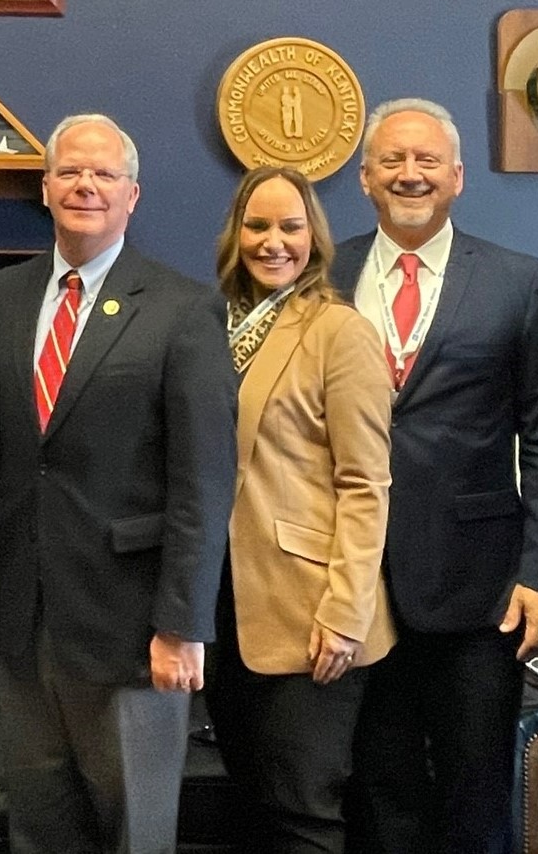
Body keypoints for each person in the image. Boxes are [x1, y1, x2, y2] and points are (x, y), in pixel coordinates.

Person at [0, 113, 237, 854]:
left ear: (132, 195)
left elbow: (204, 481)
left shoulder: (183, 309)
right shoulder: (2, 297)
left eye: (103, 174)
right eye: (70, 172)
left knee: (134, 830)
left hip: (134, 626)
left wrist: (183, 625)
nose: (85, 185)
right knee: (41, 828)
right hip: (23, 618)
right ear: (45, 188)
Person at [330, 98, 538, 854]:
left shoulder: (517, 280)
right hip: (354, 581)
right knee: (378, 787)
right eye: (393, 162)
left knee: (474, 791)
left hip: (481, 588)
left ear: (458, 177)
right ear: (366, 177)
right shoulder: (321, 273)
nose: (411, 175)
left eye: (427, 161)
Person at [208, 165, 394, 853]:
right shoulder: (217, 323)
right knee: (253, 802)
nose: (273, 242)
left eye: (291, 226)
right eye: (258, 225)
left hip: (310, 612)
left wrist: (346, 613)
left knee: (303, 812)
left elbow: (366, 483)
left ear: (313, 237)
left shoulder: (338, 331)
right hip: (227, 610)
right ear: (236, 233)